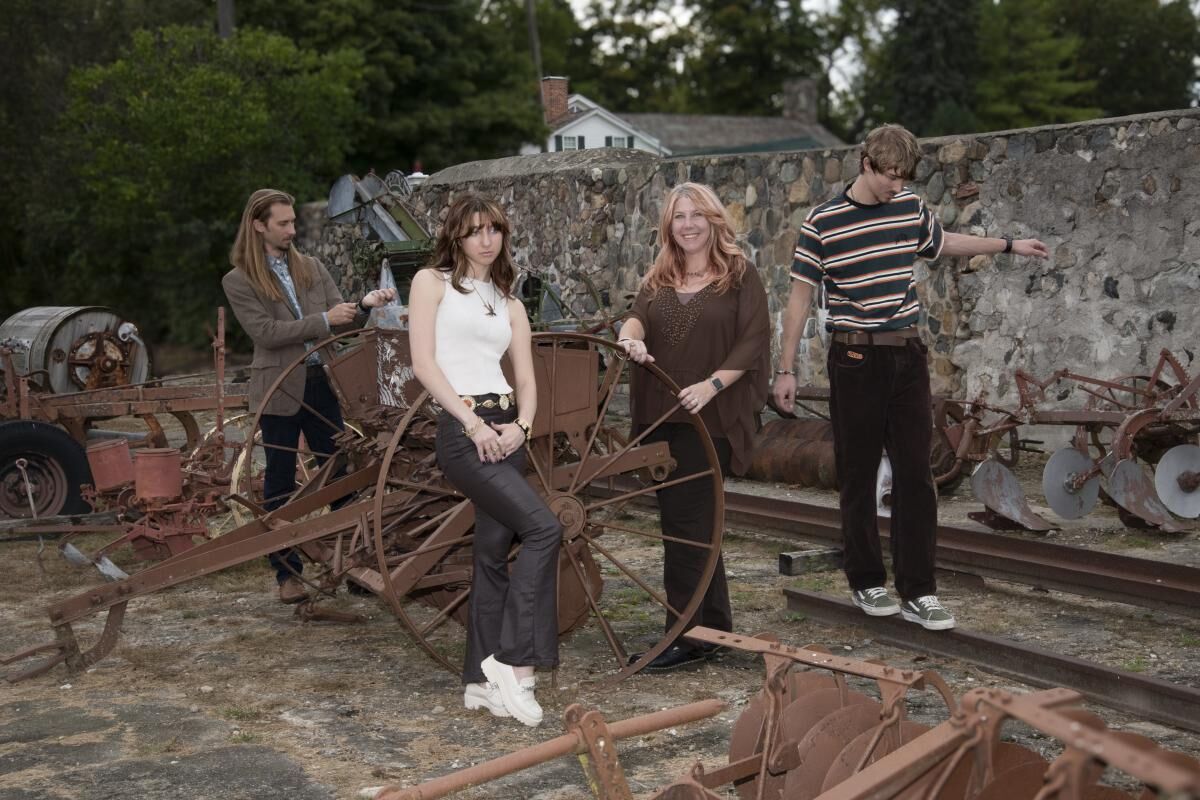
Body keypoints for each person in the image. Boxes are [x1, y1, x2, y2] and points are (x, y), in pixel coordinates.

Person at [772, 124, 1049, 630]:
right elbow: (798, 298)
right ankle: (866, 581)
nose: (895, 186)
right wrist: (785, 368)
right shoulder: (823, 222)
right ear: (866, 163)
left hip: (907, 355)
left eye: (904, 177)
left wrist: (1008, 245)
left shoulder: (911, 208)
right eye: (889, 176)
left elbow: (944, 243)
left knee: (916, 476)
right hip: (854, 359)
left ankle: (919, 591)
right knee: (857, 474)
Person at [408, 192, 561, 728]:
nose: (485, 239)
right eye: (474, 230)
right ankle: (515, 665)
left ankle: (477, 680)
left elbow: (526, 379)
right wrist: (473, 425)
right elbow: (423, 363)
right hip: (463, 430)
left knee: (492, 557)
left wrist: (521, 428)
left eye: (493, 229)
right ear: (456, 235)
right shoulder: (431, 283)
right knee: (544, 529)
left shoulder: (508, 302)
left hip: (506, 432)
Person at [618, 182, 771, 671]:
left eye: (696, 215)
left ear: (713, 221)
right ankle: (714, 628)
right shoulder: (659, 277)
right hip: (662, 416)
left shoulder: (741, 276)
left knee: (685, 526)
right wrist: (630, 340)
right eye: (679, 216)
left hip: (713, 419)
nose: (687, 224)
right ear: (669, 225)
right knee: (696, 525)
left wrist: (713, 385)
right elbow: (635, 319)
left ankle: (684, 637)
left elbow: (753, 341)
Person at [223, 188, 396, 604]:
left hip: (322, 383)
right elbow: (266, 333)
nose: (291, 230)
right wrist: (322, 319)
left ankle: (354, 565)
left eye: (293, 221)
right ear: (258, 225)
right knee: (280, 483)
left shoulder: (311, 267)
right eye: (283, 223)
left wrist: (364, 304)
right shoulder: (238, 279)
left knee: (340, 475)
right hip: (279, 387)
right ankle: (287, 576)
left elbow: (341, 320)